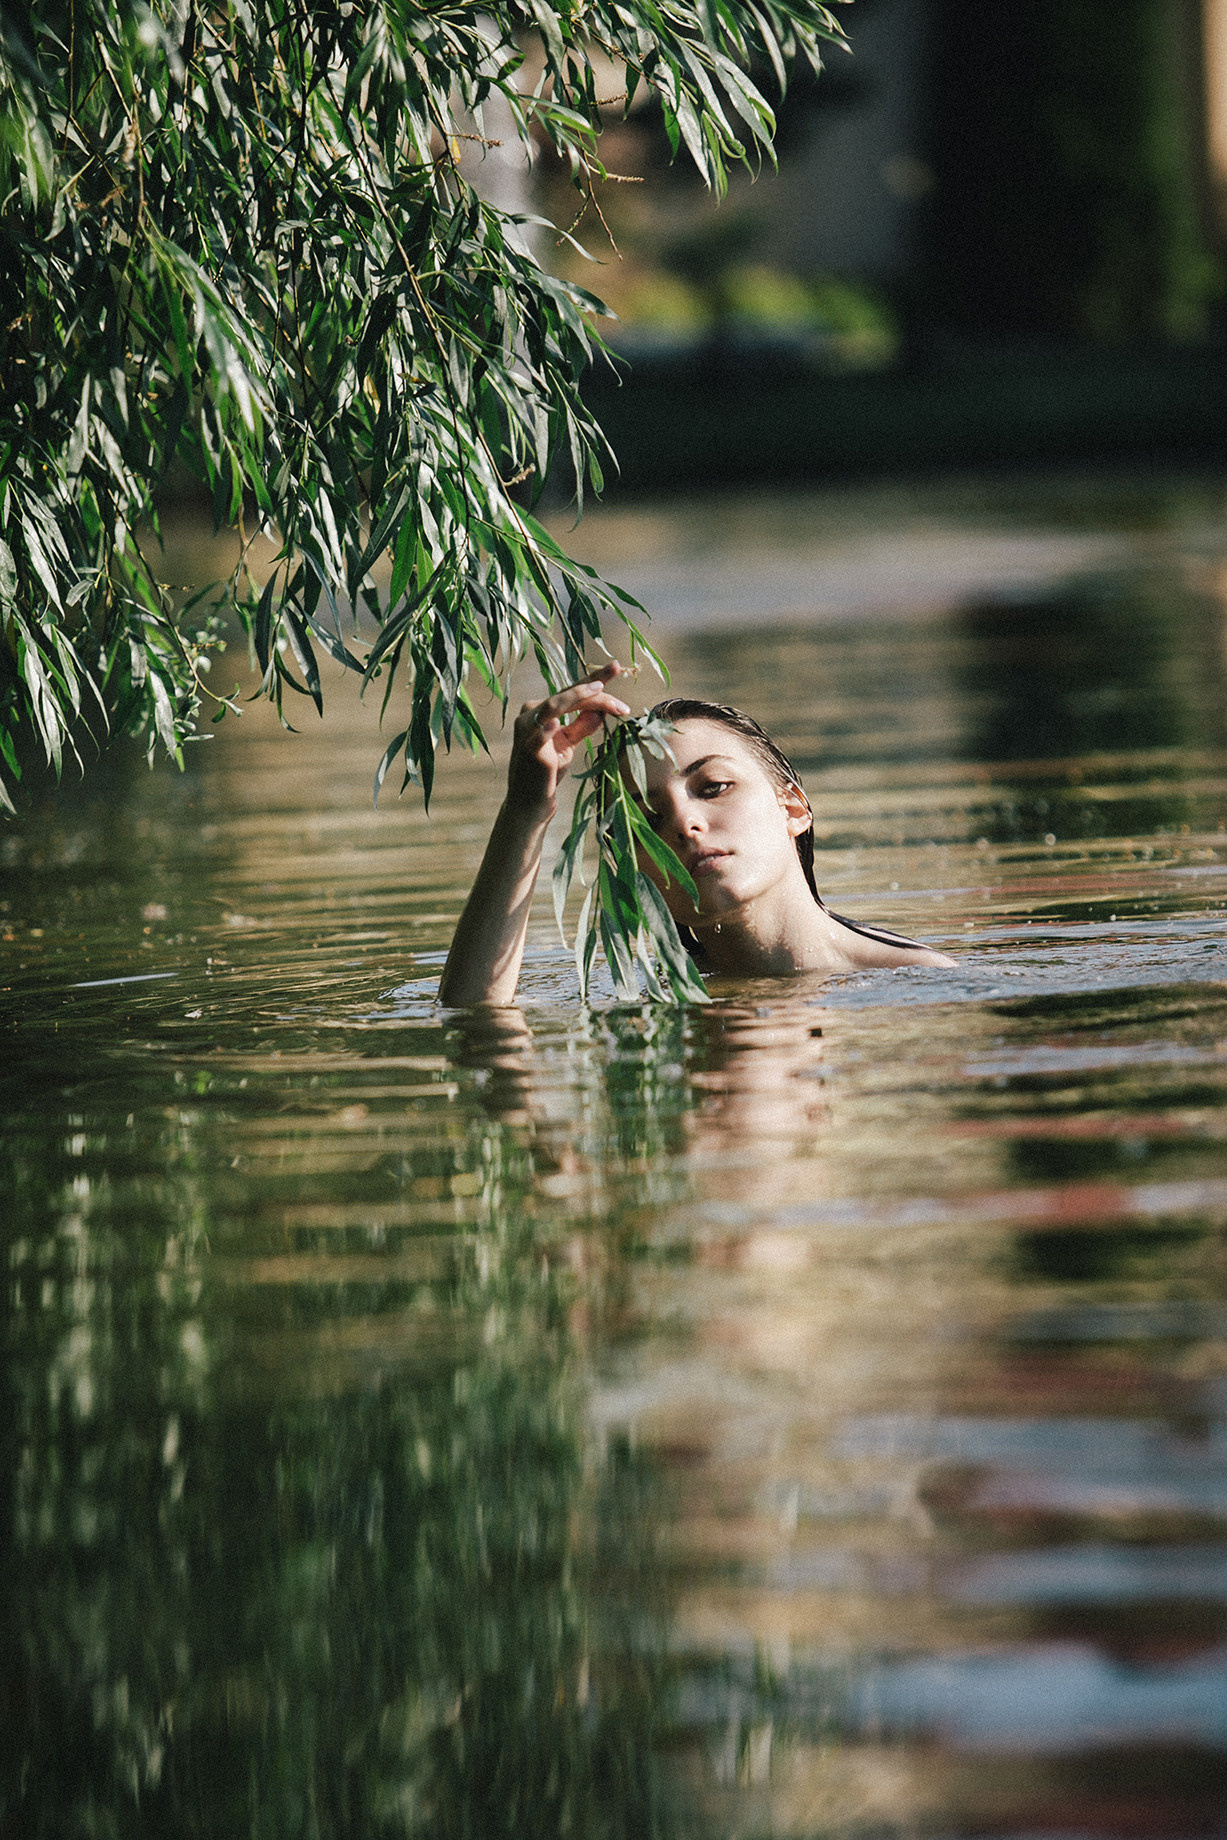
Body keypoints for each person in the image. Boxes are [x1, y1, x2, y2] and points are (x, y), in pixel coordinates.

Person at [438, 662, 955, 1005]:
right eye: (649, 818)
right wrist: (527, 810)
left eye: (714, 787)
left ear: (793, 807)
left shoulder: (921, 985)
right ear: (633, 866)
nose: (685, 824)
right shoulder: (644, 995)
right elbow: (473, 1028)